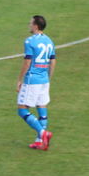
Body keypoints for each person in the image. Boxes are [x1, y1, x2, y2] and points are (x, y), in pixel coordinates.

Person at [17, 15, 56, 151]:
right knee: (41, 108)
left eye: (31, 23)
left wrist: (19, 79)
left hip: (32, 80)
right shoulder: (50, 41)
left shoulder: (29, 41)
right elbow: (53, 63)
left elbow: (27, 62)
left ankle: (43, 133)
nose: (29, 25)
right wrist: (48, 80)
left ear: (36, 26)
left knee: (22, 110)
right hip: (44, 79)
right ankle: (39, 141)